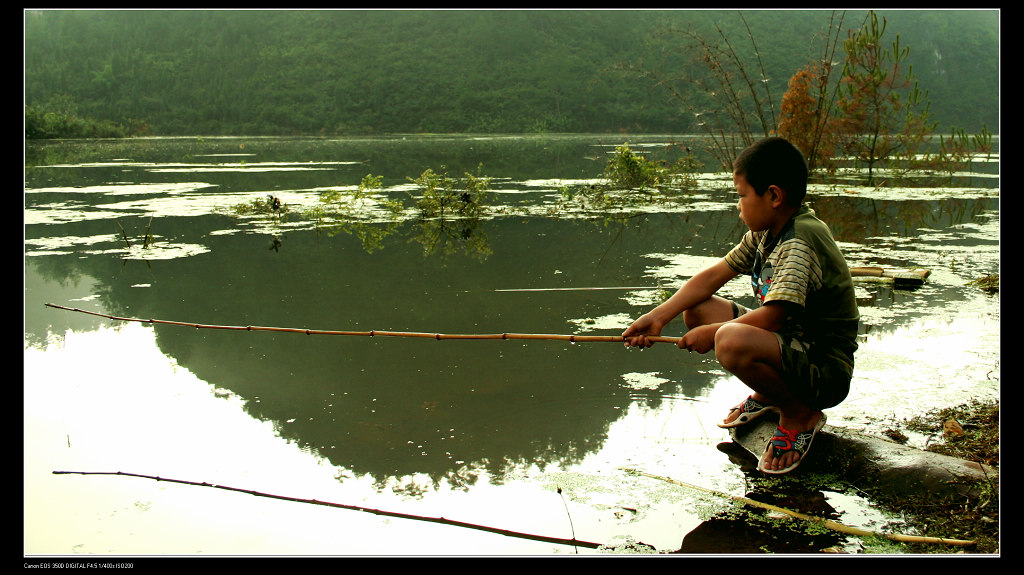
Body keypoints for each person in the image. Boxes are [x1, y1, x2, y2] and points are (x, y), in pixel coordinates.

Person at [622, 137, 859, 474]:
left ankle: (799, 413)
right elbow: (712, 278)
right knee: (698, 310)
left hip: (824, 368)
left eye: (742, 195)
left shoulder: (799, 240)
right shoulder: (767, 232)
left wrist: (713, 333)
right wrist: (658, 316)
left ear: (774, 196)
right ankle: (771, 393)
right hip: (793, 345)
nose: (738, 205)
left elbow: (777, 316)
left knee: (729, 340)